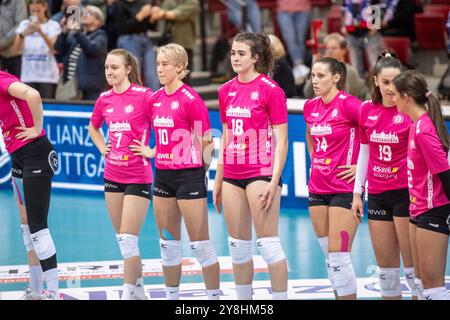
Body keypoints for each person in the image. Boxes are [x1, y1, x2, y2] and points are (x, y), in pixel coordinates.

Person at [131, 43, 221, 300]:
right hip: (163, 177)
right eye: (158, 63)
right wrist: (153, 151)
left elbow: (207, 144)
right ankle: (173, 297)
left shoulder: (191, 100)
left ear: (180, 67)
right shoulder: (155, 99)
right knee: (167, 246)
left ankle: (213, 298)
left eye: (165, 64)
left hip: (189, 177)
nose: (159, 69)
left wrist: (198, 173)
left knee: (200, 245)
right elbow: (164, 133)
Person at [213, 32, 289, 300]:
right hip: (232, 173)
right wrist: (218, 180)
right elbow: (226, 138)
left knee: (268, 245)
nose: (235, 58)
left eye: (241, 53)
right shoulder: (225, 91)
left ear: (255, 58)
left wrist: (273, 180)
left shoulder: (270, 90)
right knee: (238, 247)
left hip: (261, 171)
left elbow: (282, 139)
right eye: (233, 53)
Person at [351, 52, 418, 300]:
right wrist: (358, 192)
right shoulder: (366, 110)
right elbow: (364, 154)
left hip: (406, 194)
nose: (392, 88)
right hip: (378, 195)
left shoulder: (410, 110)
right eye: (386, 82)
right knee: (387, 276)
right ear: (376, 81)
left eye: (396, 81)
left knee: (412, 272)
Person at [88, 49, 153, 300]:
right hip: (112, 175)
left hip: (138, 176)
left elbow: (169, 123)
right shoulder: (104, 98)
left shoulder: (144, 96)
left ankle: (127, 294)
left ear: (128, 69)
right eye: (106, 67)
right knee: (125, 241)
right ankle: (138, 290)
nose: (109, 72)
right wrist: (102, 147)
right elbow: (93, 128)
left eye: (114, 67)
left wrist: (152, 151)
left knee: (128, 238)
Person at [303, 57, 361, 300]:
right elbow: (309, 134)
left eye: (321, 76)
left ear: (336, 77)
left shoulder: (350, 105)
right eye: (313, 76)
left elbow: (374, 132)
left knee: (339, 256)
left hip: (344, 188)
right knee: (330, 258)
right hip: (318, 187)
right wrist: (314, 158)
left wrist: (361, 167)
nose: (315, 81)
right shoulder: (310, 106)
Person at [0, 70, 59, 300]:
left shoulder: (2, 80)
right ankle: (35, 290)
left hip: (36, 153)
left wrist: (36, 128)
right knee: (26, 228)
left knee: (37, 227)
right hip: (18, 156)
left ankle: (53, 293)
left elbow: (33, 95)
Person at [391, 70, 450, 300]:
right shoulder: (415, 125)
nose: (392, 99)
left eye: (395, 94)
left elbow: (445, 175)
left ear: (406, 97)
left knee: (433, 286)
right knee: (420, 282)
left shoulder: (424, 130)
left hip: (432, 210)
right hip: (418, 210)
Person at [55, 5, 108, 100]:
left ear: (98, 20)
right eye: (83, 13)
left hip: (91, 87)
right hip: (72, 84)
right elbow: (59, 49)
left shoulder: (101, 36)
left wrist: (77, 32)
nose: (84, 15)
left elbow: (93, 49)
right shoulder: (76, 35)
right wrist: (64, 32)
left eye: (89, 13)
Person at [15, 0, 62, 99]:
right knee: (29, 109)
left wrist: (41, 32)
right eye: (32, 11)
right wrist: (22, 34)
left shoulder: (53, 25)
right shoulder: (23, 25)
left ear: (45, 7)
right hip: (28, 75)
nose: (35, 14)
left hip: (48, 76)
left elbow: (54, 49)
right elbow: (15, 50)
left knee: (47, 106)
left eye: (38, 11)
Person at [303, 32, 369, 101]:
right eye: (328, 48)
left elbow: (345, 95)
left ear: (343, 51)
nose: (329, 51)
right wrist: (317, 67)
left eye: (333, 48)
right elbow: (307, 93)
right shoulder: (322, 68)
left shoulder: (349, 71)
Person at [276, 0, 311, 85]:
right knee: (290, 39)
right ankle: (299, 65)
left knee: (300, 39)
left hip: (303, 9)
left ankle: (299, 69)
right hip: (284, 10)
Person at [0, 0, 28, 77]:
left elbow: (21, 25)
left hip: (15, 54)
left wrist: (2, 43)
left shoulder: (18, 1)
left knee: (16, 84)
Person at [268, 34, 296, 98]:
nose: (267, 51)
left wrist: (272, 95)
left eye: (270, 48)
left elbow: (289, 90)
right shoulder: (261, 65)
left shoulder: (282, 64)